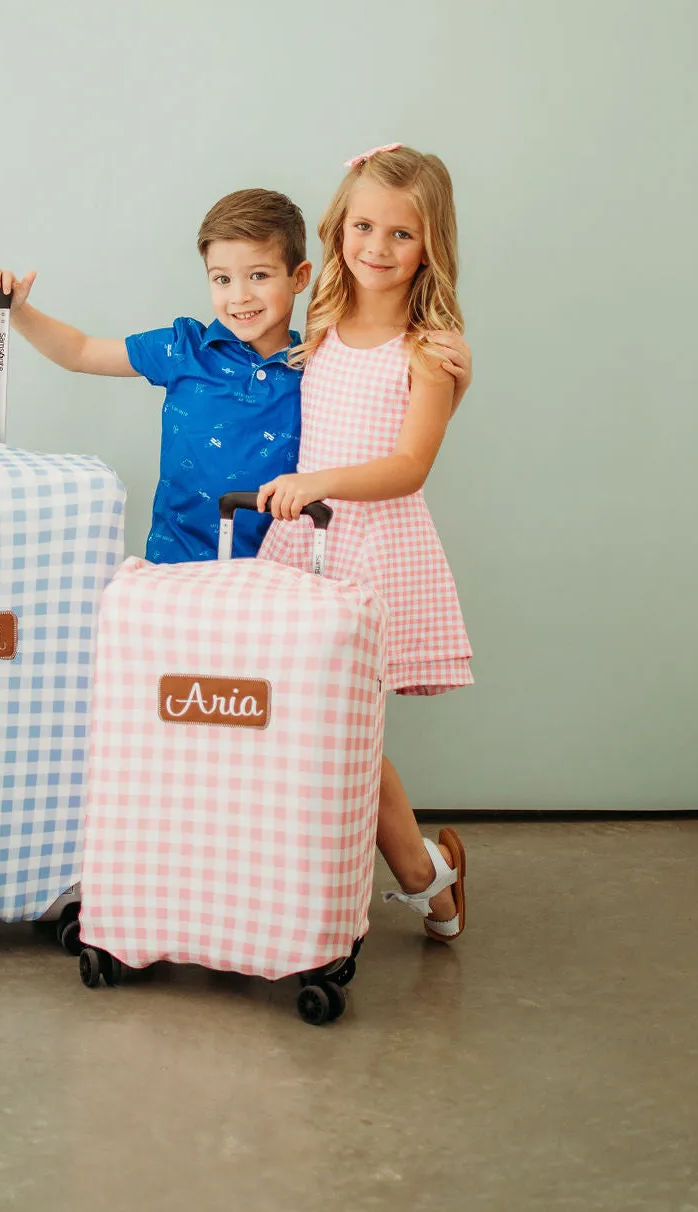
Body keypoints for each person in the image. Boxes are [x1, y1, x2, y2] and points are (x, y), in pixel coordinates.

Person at [0, 186, 474, 564]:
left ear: (299, 277)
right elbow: (80, 351)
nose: (240, 296)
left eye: (259, 275)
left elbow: (385, 436)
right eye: (222, 279)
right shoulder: (184, 347)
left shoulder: (316, 363)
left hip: (278, 571)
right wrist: (17, 312)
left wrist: (451, 387)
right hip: (175, 565)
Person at [257, 144, 473, 942]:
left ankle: (427, 881)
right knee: (306, 720)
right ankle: (421, 875)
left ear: (431, 246)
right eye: (363, 226)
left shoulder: (431, 350)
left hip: (374, 548)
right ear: (339, 227)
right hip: (305, 547)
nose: (377, 248)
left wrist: (321, 483)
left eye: (401, 235)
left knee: (346, 727)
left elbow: (410, 467)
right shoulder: (318, 322)